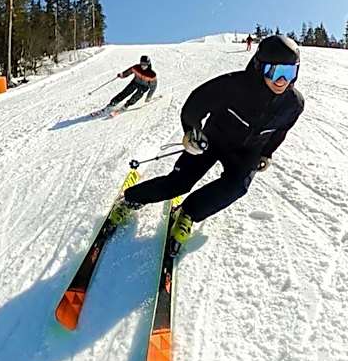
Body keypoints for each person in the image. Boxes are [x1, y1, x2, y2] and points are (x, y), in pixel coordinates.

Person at [110, 35, 305, 249]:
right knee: (178, 183)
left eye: (289, 73)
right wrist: (192, 131)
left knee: (236, 186)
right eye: (275, 71)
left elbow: (280, 131)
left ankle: (188, 213)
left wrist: (267, 153)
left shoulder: (293, 104)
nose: (281, 81)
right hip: (213, 139)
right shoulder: (233, 85)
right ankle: (131, 198)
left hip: (247, 152)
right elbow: (194, 105)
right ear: (259, 67)